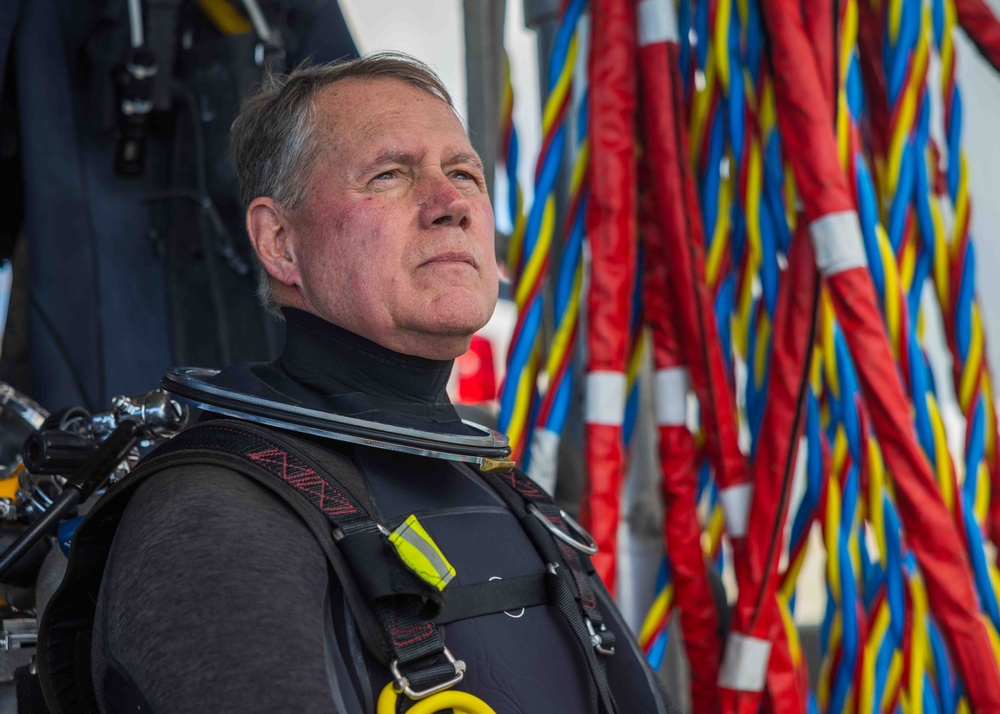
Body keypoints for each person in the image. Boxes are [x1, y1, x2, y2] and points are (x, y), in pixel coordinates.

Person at [40, 53, 676, 713]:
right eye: (390, 174)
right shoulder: (212, 516)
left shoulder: (503, 487)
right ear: (279, 242)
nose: (450, 203)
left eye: (463, 172)